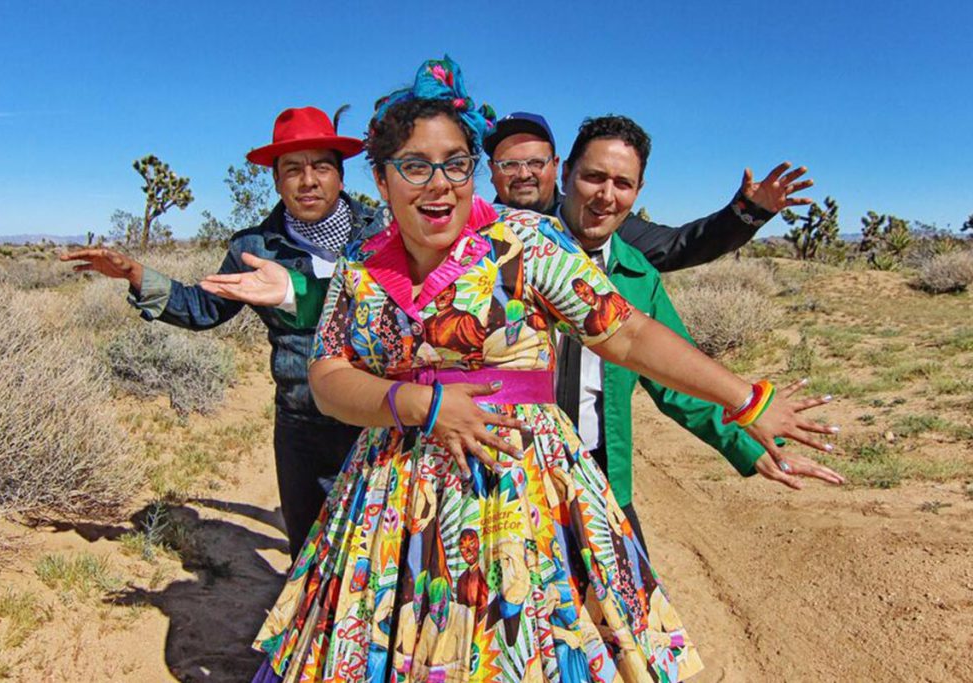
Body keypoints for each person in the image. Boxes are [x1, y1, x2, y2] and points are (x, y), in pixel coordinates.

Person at [203, 56, 836, 682]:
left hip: (519, 490)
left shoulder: (527, 242)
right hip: (391, 501)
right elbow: (329, 378)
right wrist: (419, 406)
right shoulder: (360, 263)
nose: (439, 183)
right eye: (416, 166)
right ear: (380, 176)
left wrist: (747, 398)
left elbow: (628, 334)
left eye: (455, 164)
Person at [61, 106, 379, 556]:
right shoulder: (253, 247)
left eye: (320, 166)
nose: (308, 180)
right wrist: (135, 274)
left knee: (380, 554)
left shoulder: (384, 232)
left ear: (341, 177)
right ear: (276, 181)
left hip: (380, 416)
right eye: (292, 169)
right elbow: (202, 308)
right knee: (309, 555)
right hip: (302, 423)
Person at [549, 115, 844, 554]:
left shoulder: (636, 276)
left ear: (639, 192)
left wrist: (750, 445)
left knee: (634, 616)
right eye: (593, 177)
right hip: (512, 476)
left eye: (623, 183)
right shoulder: (510, 252)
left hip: (602, 475)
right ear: (566, 173)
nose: (606, 196)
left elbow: (679, 383)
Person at [483, 110, 814, 272]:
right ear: (491, 171)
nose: (523, 173)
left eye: (535, 162)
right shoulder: (470, 235)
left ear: (558, 167)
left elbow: (680, 245)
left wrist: (747, 213)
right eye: (509, 164)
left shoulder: (597, 224)